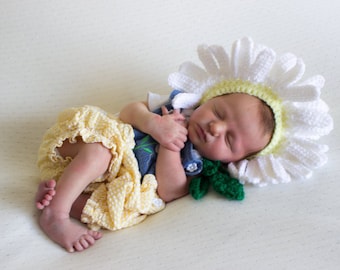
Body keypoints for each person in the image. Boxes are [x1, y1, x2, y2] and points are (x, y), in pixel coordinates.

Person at [35, 37, 333, 253]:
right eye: (218, 113)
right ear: (210, 97)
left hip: (118, 182)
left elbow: (169, 189)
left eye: (229, 139)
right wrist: (153, 124)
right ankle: (56, 216)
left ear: (236, 160)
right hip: (96, 146)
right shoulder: (176, 107)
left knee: (119, 210)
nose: (216, 127)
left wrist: (170, 146)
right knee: (101, 151)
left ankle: (60, 194)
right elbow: (128, 111)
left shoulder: (196, 164)